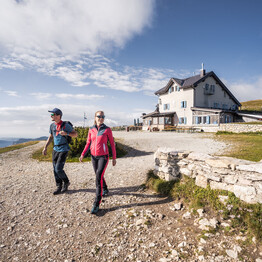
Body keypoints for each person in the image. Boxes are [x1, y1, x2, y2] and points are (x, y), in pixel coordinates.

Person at [79, 110, 116, 214]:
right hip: (93, 157)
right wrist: (82, 154)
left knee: (98, 177)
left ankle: (96, 203)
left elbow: (112, 144)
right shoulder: (91, 129)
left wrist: (114, 158)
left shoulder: (107, 129)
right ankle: (105, 188)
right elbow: (88, 143)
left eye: (103, 116)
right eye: (99, 116)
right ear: (95, 118)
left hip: (103, 157)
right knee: (98, 174)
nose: (101, 118)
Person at [42, 108, 78, 195]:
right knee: (55, 169)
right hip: (55, 149)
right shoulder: (52, 125)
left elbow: (75, 134)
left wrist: (67, 133)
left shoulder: (66, 125)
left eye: (53, 114)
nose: (51, 116)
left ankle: (66, 182)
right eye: (51, 115)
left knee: (58, 168)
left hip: (64, 149)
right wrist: (45, 147)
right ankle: (59, 186)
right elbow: (51, 137)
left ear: (58, 116)